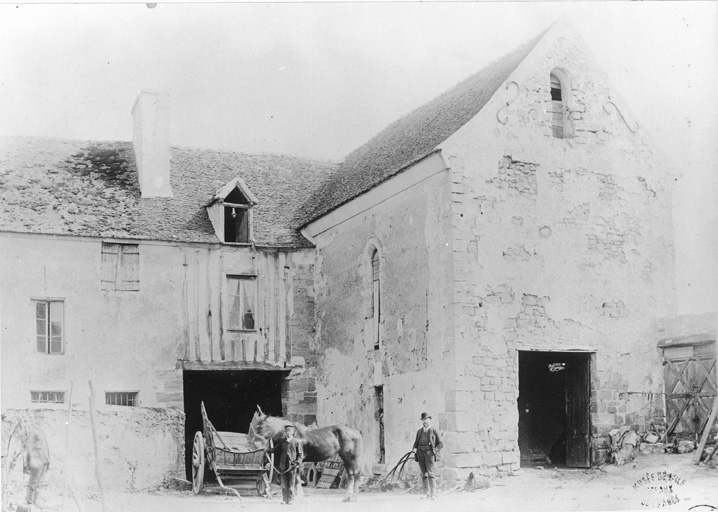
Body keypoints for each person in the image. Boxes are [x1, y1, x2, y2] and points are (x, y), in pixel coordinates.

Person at [267, 423, 304, 504]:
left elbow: (300, 454)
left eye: (290, 431)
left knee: (291, 483)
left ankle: (291, 499)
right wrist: (267, 450)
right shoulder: (282, 441)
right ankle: (284, 499)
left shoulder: (296, 442)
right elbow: (276, 450)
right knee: (284, 483)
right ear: (285, 432)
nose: (288, 433)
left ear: (293, 432)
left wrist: (297, 462)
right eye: (287, 431)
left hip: (292, 466)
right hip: (283, 465)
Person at [411, 412, 442, 499]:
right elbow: (416, 443)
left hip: (429, 454)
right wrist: (414, 449)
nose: (424, 421)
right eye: (423, 420)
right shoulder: (419, 431)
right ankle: (427, 494)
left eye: (426, 420)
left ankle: (433, 494)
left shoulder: (434, 431)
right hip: (420, 454)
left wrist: (435, 451)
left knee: (431, 473)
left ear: (429, 420)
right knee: (424, 474)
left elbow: (440, 443)